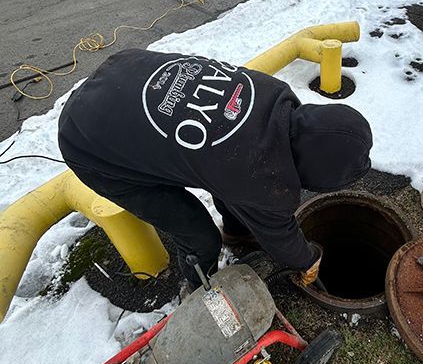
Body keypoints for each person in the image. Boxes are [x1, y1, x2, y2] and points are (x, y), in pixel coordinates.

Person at [58, 48, 372, 290]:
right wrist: (307, 259)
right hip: (91, 145)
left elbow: (240, 174)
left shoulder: (274, 95)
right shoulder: (258, 173)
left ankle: (236, 232)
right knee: (199, 236)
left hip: (124, 73)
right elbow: (281, 238)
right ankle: (199, 289)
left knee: (226, 172)